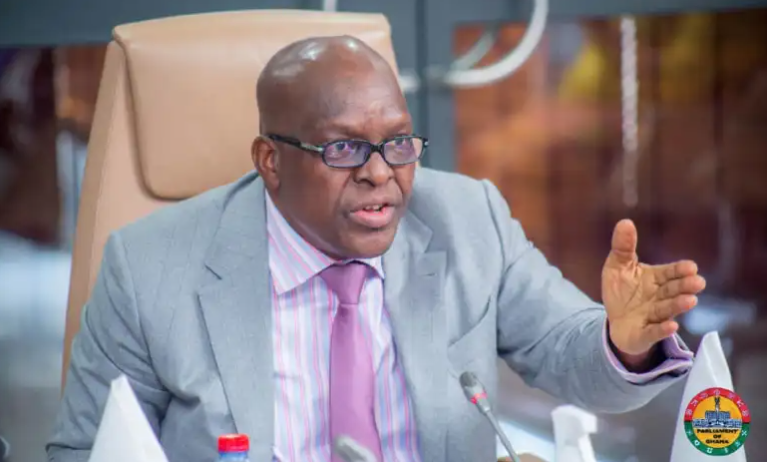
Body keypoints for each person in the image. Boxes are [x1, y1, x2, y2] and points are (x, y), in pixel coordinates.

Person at [47, 36, 705, 462]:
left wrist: (622, 343)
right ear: (271, 161)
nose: (379, 173)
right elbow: (85, 450)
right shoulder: (150, 267)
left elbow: (567, 351)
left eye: (397, 143)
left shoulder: (466, 219)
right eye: (343, 148)